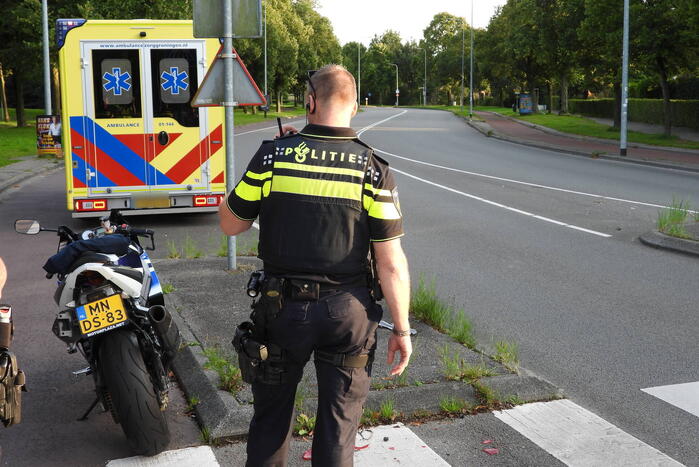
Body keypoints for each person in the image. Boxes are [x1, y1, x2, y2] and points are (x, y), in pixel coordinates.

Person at [219, 64, 412, 466]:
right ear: (354, 107)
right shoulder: (373, 169)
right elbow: (390, 263)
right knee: (339, 429)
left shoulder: (273, 156)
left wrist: (266, 161)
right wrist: (402, 328)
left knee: (270, 421)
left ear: (309, 102)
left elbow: (231, 224)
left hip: (281, 311)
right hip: (349, 315)